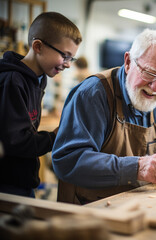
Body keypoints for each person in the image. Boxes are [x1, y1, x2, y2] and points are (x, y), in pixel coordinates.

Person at [52, 29, 156, 205]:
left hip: (145, 206)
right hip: (91, 213)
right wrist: (136, 168)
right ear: (128, 62)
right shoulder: (93, 94)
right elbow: (68, 161)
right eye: (150, 73)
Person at [0, 12, 82, 197]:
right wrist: (56, 136)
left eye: (72, 58)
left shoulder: (38, 79)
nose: (68, 64)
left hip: (22, 180)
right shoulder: (13, 80)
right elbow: (15, 142)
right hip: (6, 184)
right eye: (65, 56)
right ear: (38, 46)